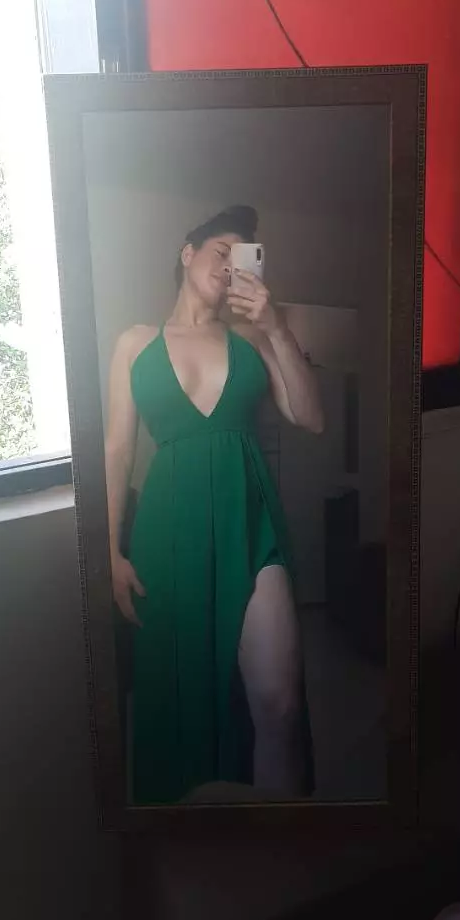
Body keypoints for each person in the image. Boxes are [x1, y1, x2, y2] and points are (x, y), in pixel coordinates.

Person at [104, 205, 324, 804]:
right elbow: (118, 450)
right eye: (220, 253)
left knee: (279, 703)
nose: (229, 268)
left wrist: (277, 327)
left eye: (241, 260)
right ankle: (194, 834)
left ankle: (280, 838)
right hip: (168, 532)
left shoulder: (252, 338)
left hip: (250, 522)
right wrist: (108, 550)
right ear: (187, 254)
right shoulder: (135, 343)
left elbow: (312, 417)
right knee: (181, 700)